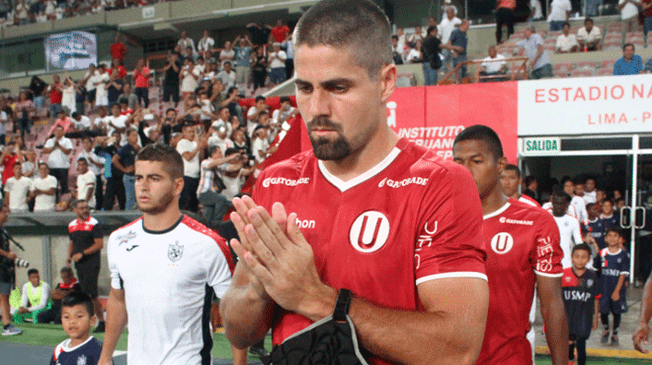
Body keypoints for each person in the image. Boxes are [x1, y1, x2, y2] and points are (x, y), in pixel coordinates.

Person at [220, 1, 489, 364]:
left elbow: (455, 350)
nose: (316, 108)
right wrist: (259, 285)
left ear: (385, 82)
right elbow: (238, 331)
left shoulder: (440, 184)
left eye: (338, 87)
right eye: (304, 88)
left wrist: (313, 297)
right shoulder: (276, 182)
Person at [97, 144, 246, 365]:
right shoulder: (119, 239)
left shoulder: (208, 244)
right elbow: (118, 300)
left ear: (178, 186)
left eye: (154, 178)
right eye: (138, 178)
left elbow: (235, 313)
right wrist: (105, 357)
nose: (143, 187)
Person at [452, 125, 567, 365]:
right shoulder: (438, 220)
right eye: (458, 162)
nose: (465, 170)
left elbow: (552, 305)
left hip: (508, 359)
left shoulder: (535, 222)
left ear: (501, 164)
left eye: (476, 161)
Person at [67, 199, 105, 333]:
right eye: (81, 208)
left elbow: (99, 244)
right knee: (86, 293)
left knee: (90, 293)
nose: (85, 210)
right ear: (75, 210)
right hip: (79, 264)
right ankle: (99, 322)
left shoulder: (94, 224)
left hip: (92, 263)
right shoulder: (72, 225)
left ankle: (98, 321)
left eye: (86, 208)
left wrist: (82, 254)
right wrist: (69, 256)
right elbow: (72, 242)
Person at [562, 243, 600, 365]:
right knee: (569, 342)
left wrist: (595, 318)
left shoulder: (592, 276)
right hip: (567, 316)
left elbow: (596, 298)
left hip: (584, 317)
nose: (580, 260)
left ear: (589, 259)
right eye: (577, 256)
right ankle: (571, 358)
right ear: (571, 257)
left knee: (581, 345)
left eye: (584, 257)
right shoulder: (564, 274)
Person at [596, 226, 629, 346]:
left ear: (620, 239)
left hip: (617, 289)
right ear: (605, 238)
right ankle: (606, 329)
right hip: (603, 289)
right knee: (603, 311)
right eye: (609, 235)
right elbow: (596, 270)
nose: (612, 238)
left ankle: (615, 333)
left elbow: (623, 274)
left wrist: (617, 291)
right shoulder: (601, 253)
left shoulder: (624, 255)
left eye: (615, 236)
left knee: (617, 312)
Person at [50, 292, 103, 365]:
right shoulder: (59, 350)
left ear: (92, 321)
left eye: (79, 316)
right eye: (66, 317)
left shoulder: (99, 350)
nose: (72, 321)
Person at [0, 202, 21, 335]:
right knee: (3, 296)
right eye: (4, 212)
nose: (7, 214)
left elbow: (6, 246)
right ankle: (6, 325)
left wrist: (11, 254)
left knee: (5, 296)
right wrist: (7, 254)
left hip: (5, 267)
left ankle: (7, 323)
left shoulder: (3, 230)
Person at [177, 123, 208, 212]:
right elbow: (188, 157)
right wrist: (198, 147)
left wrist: (201, 148)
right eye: (189, 132)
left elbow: (201, 158)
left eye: (193, 132)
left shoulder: (194, 143)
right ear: (184, 132)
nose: (192, 134)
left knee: (194, 203)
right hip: (186, 176)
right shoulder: (182, 143)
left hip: (195, 177)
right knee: (185, 202)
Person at [550, 191, 585, 269]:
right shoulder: (545, 219)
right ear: (552, 204)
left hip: (566, 264)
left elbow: (579, 242)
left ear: (566, 205)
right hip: (548, 262)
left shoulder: (573, 221)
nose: (559, 206)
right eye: (556, 203)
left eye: (561, 204)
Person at [43, 125, 73, 196]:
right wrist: (54, 146)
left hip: (63, 166)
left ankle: (64, 203)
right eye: (56, 131)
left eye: (60, 131)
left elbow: (68, 151)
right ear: (54, 132)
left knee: (64, 187)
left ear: (63, 132)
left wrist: (59, 146)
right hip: (52, 167)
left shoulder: (67, 140)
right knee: (53, 187)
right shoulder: (50, 140)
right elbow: (45, 150)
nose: (58, 132)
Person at [113, 129, 140, 210]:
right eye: (133, 135)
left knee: (139, 200)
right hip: (130, 177)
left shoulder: (139, 148)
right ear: (128, 137)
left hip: (138, 177)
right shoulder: (126, 148)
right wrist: (124, 169)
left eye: (136, 135)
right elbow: (114, 159)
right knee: (130, 199)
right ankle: (128, 218)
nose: (136, 137)